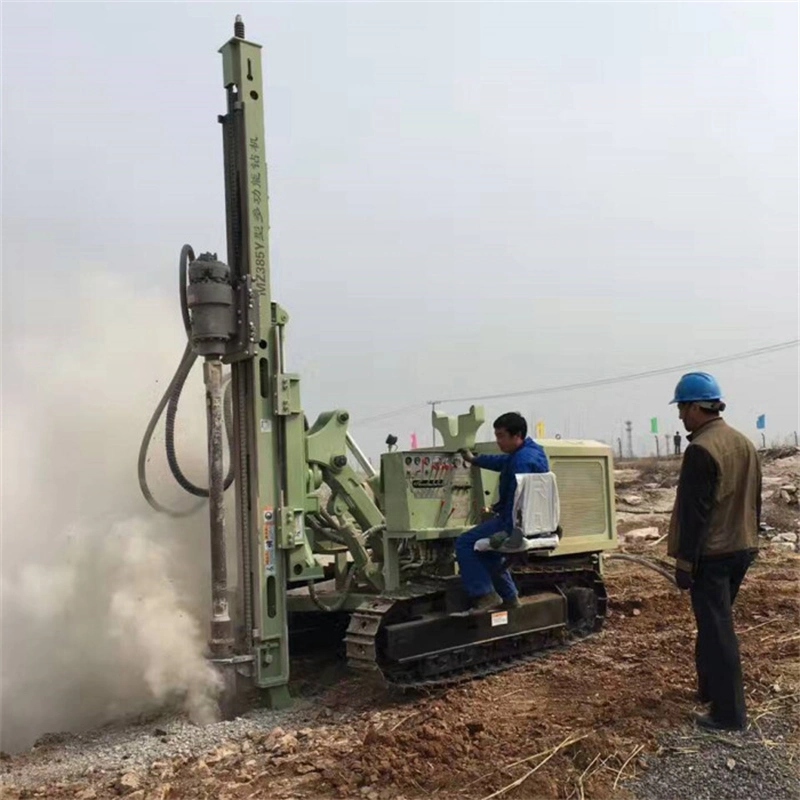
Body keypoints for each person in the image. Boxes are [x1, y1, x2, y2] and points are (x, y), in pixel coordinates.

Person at [667, 372, 761, 731]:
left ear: (695, 407)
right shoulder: (744, 443)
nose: (680, 417)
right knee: (712, 625)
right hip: (742, 547)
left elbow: (695, 514)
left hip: (713, 554)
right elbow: (755, 501)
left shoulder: (701, 450)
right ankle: (708, 691)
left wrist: (685, 562)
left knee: (718, 630)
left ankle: (728, 714)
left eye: (682, 409)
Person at [456, 412, 549, 612]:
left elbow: (515, 505)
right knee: (486, 552)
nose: (498, 441)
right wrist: (475, 460)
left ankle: (484, 595)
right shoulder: (531, 452)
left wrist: (505, 531)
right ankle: (509, 597)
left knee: (465, 543)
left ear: (517, 435)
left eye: (501, 436)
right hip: (531, 522)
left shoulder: (520, 462)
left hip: (515, 524)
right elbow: (501, 462)